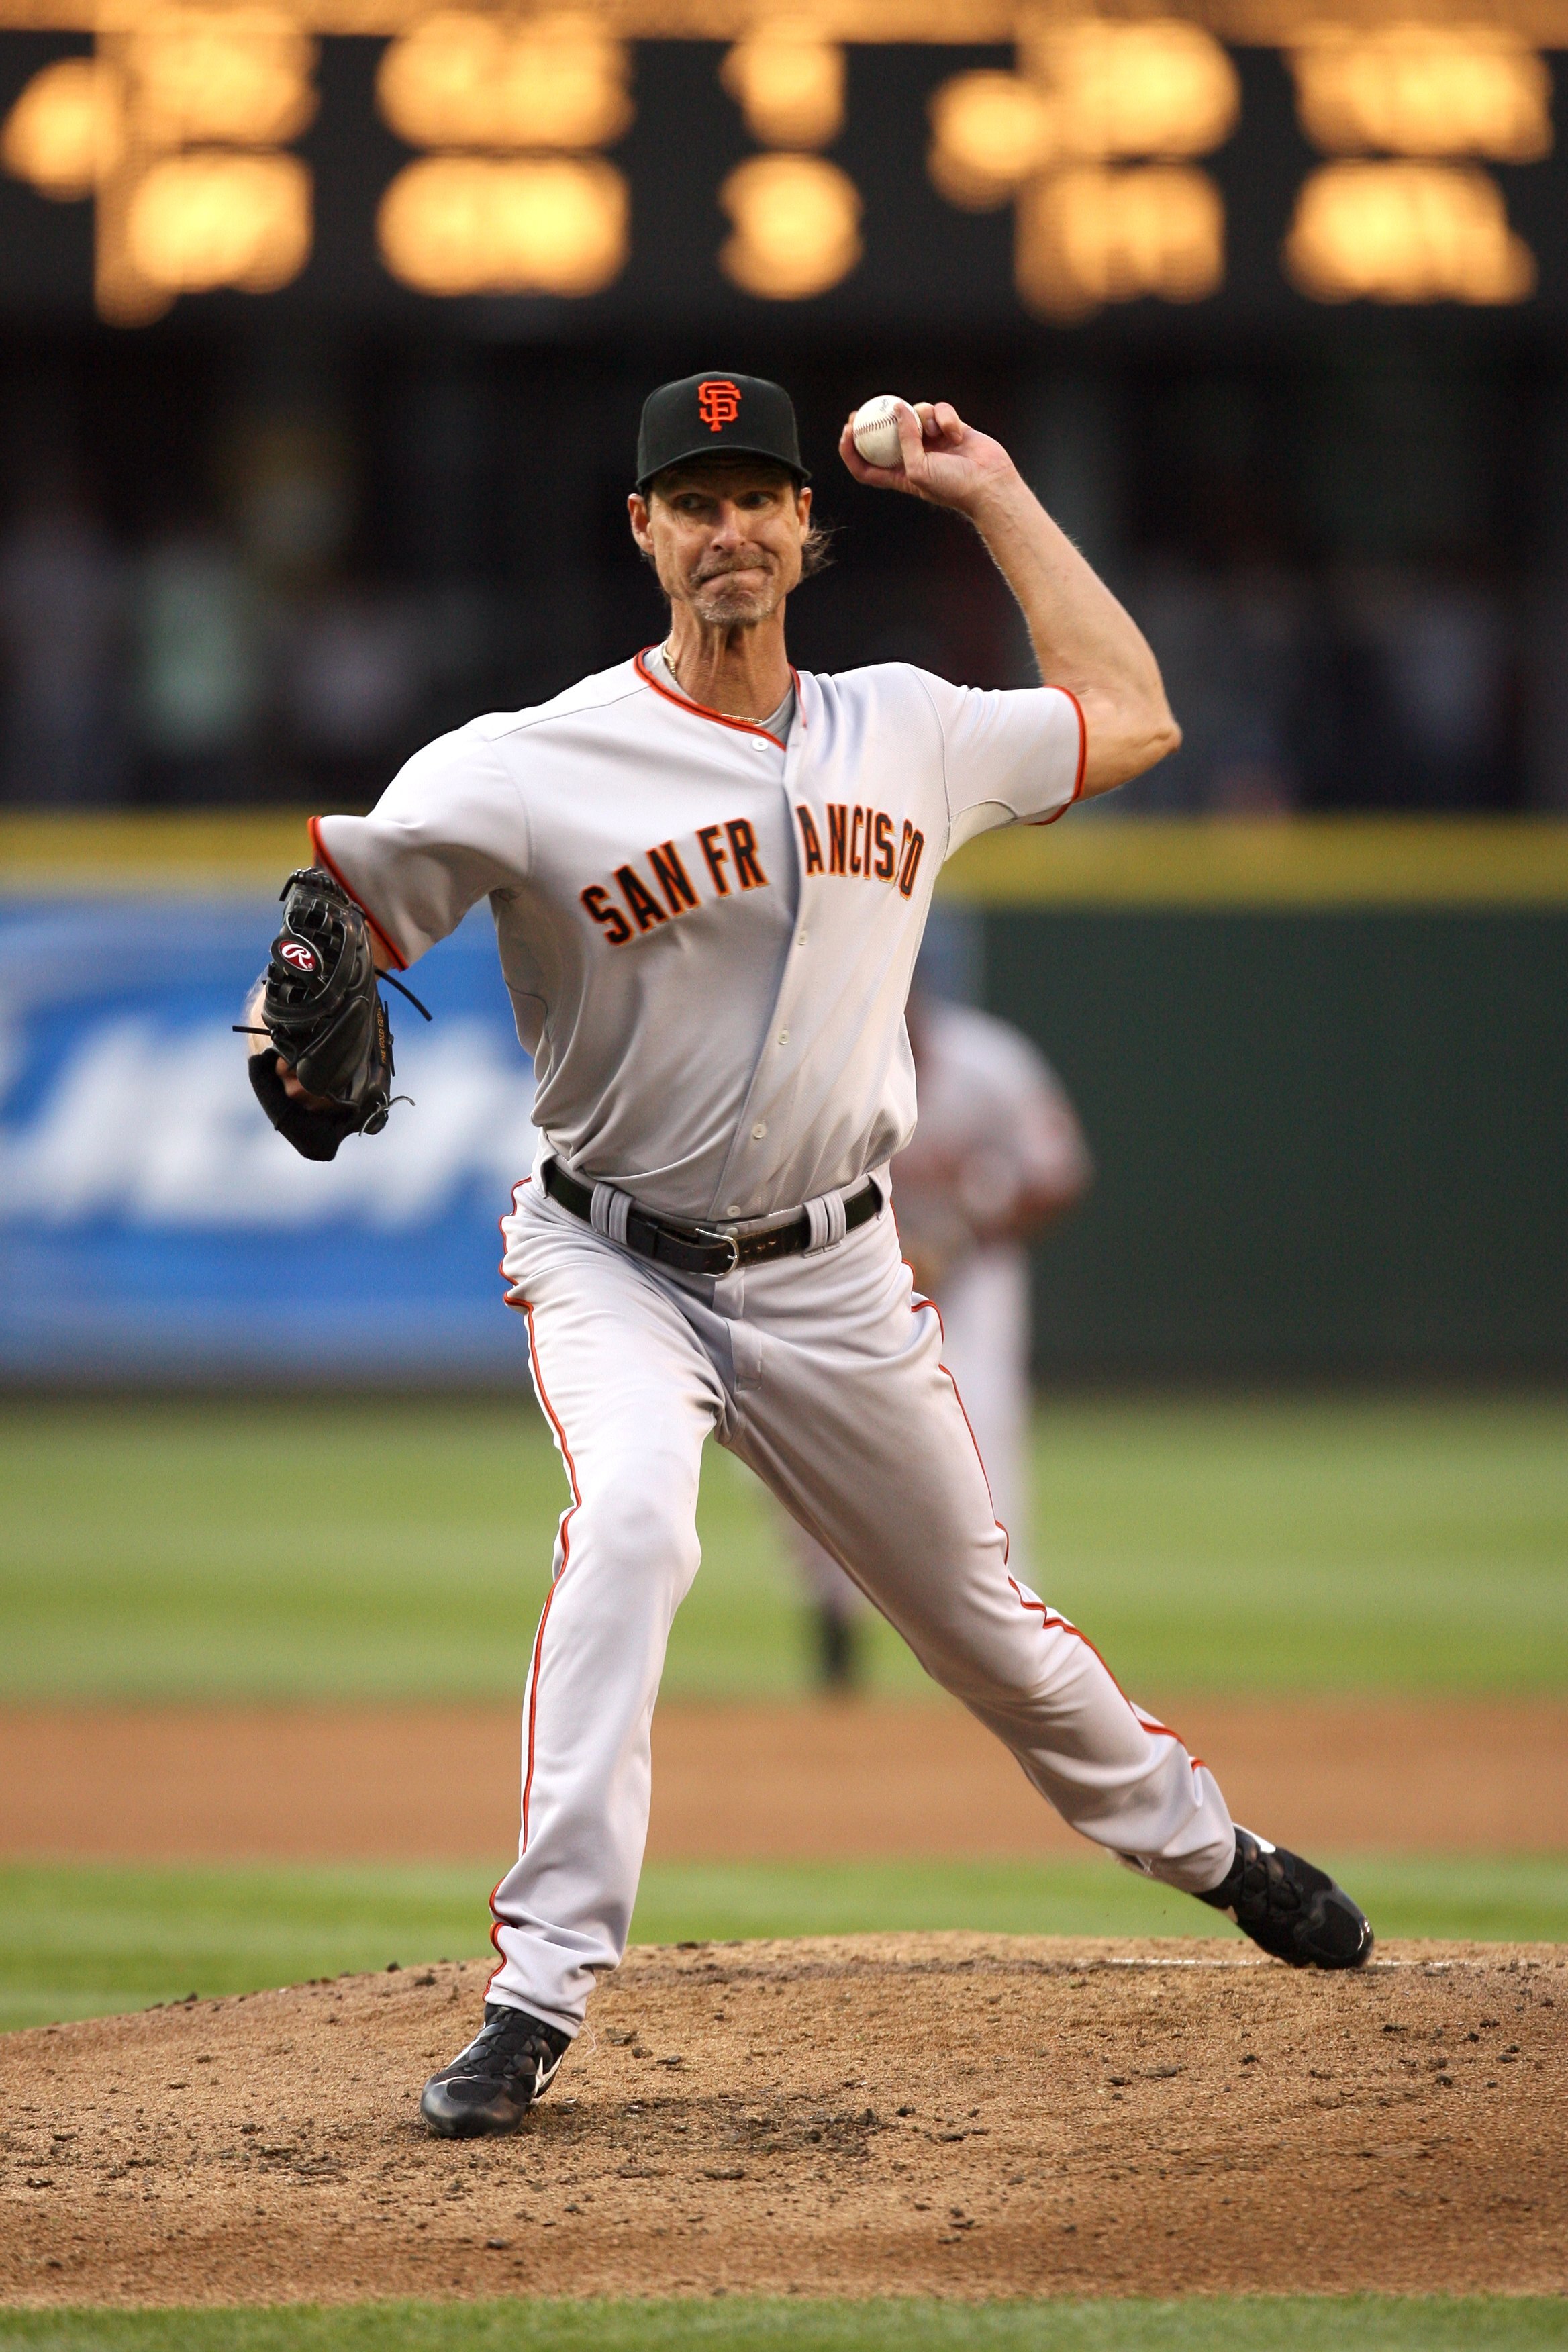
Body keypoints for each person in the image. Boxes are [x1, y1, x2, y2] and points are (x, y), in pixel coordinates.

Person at [266, 372, 1373, 2140]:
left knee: (987, 1636)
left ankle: (1214, 1850)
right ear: (644, 533)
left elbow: (1135, 718)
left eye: (755, 498)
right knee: (633, 1521)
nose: (727, 530)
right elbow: (338, 919)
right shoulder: (527, 761)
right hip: (614, 1259)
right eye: (690, 501)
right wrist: (295, 1010)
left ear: (805, 528)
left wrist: (997, 490)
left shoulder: (912, 729)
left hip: (839, 1279)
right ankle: (539, 1992)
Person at [794, 981, 1092, 1689]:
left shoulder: (989, 1065)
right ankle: (835, 1630)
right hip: (846, 1280)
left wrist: (971, 1232)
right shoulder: (815, 1070)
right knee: (807, 1446)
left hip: (972, 1279)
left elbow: (1059, 1176)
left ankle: (1019, 1651)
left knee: (981, 1432)